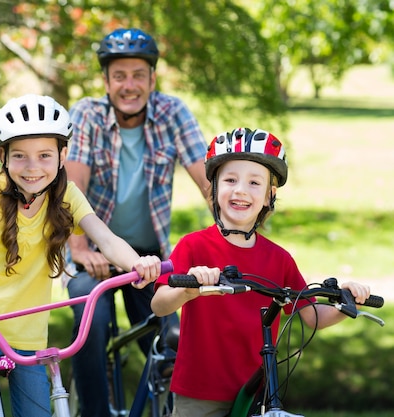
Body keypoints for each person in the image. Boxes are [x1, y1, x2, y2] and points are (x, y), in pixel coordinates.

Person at [0, 93, 164, 417]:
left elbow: (105, 238)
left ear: (63, 155)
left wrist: (136, 262)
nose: (32, 167)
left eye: (44, 155)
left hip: (29, 338)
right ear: (2, 155)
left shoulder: (66, 196)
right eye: (20, 156)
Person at [151, 127, 371, 417]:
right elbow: (159, 304)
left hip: (257, 390)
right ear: (214, 189)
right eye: (230, 180)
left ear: (270, 196)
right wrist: (188, 289)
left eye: (255, 183)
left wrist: (346, 302)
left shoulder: (279, 259)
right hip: (200, 389)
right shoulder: (194, 246)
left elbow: (310, 316)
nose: (241, 190)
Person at [65, 28, 210, 417]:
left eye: (138, 75)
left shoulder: (172, 112)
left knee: (171, 340)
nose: (129, 85)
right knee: (90, 325)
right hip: (92, 252)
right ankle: (94, 412)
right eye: (119, 76)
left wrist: (234, 234)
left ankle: (168, 405)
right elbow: (72, 186)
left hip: (147, 258)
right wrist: (79, 249)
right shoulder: (86, 114)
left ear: (153, 79)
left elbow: (207, 181)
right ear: (106, 81)